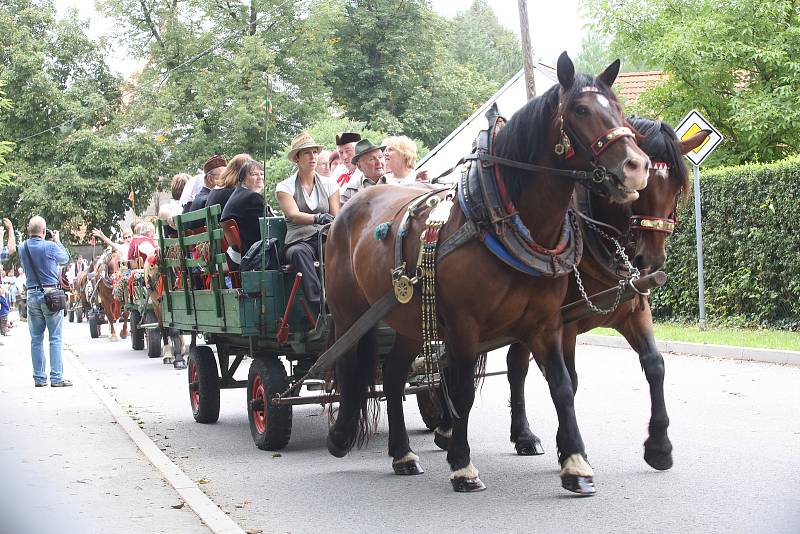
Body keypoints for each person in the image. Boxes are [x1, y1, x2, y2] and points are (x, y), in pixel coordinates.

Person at [276, 133, 340, 315]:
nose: (313, 157)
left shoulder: (329, 184)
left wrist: (327, 221)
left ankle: (346, 298)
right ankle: (320, 305)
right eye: (307, 153)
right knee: (298, 253)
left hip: (325, 236)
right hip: (299, 240)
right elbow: (293, 215)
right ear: (297, 158)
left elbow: (336, 215)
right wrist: (318, 217)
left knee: (341, 250)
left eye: (315, 152)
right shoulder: (284, 187)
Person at [18, 216, 71, 387]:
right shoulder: (50, 246)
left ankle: (39, 378)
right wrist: (57, 240)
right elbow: (65, 259)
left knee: (36, 338)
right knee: (55, 338)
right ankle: (56, 378)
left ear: (28, 231)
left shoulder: (22, 247)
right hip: (51, 295)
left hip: (32, 295)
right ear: (44, 231)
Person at [221, 159, 274, 253]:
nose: (260, 177)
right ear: (242, 179)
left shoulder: (238, 194)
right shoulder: (252, 198)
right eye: (254, 174)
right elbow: (269, 229)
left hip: (239, 254)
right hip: (254, 255)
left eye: (261, 174)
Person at [341, 138, 388, 205]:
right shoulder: (350, 192)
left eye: (380, 157)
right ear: (359, 166)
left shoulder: (396, 186)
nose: (379, 162)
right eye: (371, 159)